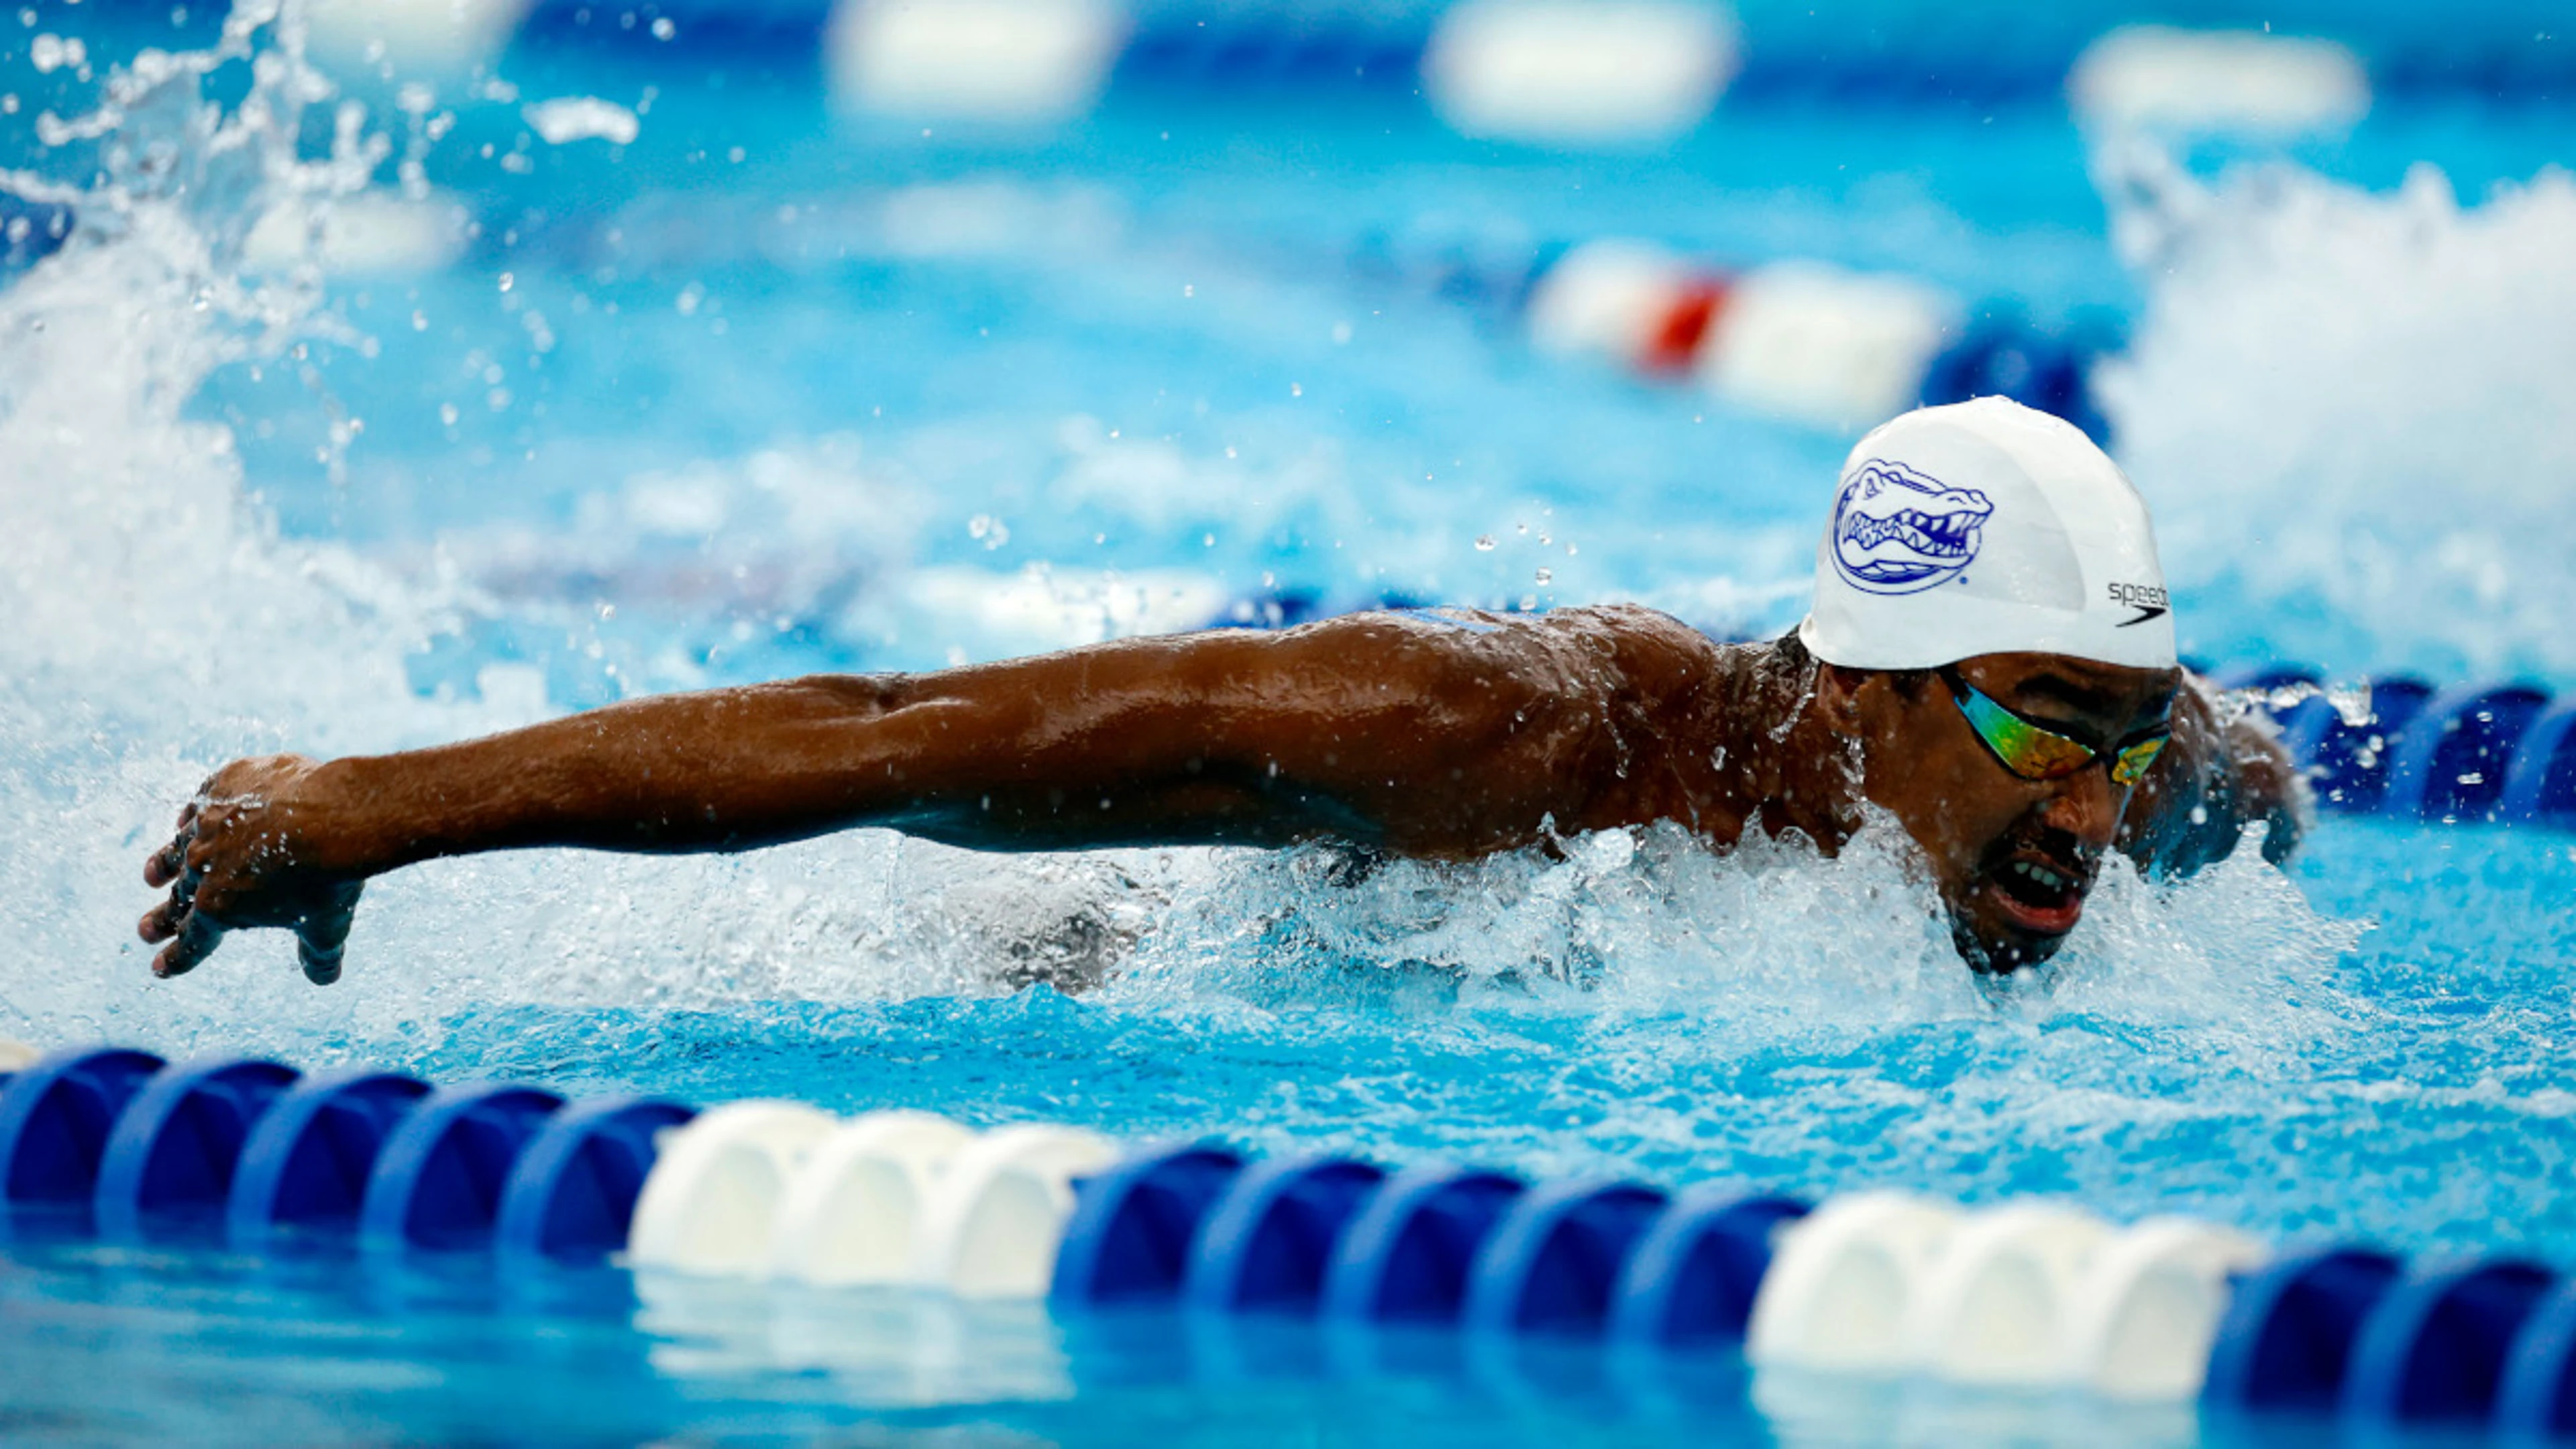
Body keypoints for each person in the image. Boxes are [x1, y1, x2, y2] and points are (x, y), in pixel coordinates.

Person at [138, 397, 2304, 984]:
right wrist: (365, 807)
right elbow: (902, 739)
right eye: (2049, 734)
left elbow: (2262, 776)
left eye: (2132, 737)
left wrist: (2250, 780)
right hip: (1108, 965)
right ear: (1869, 684)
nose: (2103, 821)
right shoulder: (1509, 735)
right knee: (1041, 933)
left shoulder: (2130, 748)